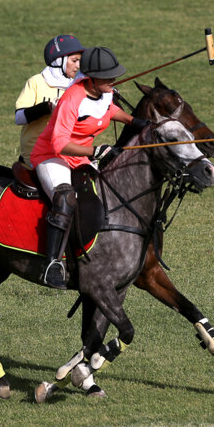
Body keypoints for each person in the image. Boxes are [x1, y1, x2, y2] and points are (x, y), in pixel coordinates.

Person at [30, 46, 150, 289]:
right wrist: (94, 151)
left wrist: (133, 121)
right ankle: (52, 263)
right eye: (108, 76)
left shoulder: (103, 92)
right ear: (92, 79)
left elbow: (107, 109)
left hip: (80, 158)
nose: (114, 80)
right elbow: (59, 143)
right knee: (66, 198)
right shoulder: (72, 99)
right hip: (52, 157)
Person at [15, 35, 86, 168]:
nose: (78, 66)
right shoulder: (36, 82)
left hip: (66, 152)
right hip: (35, 152)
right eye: (74, 60)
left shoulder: (77, 88)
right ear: (59, 60)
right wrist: (47, 108)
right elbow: (19, 118)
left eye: (79, 61)